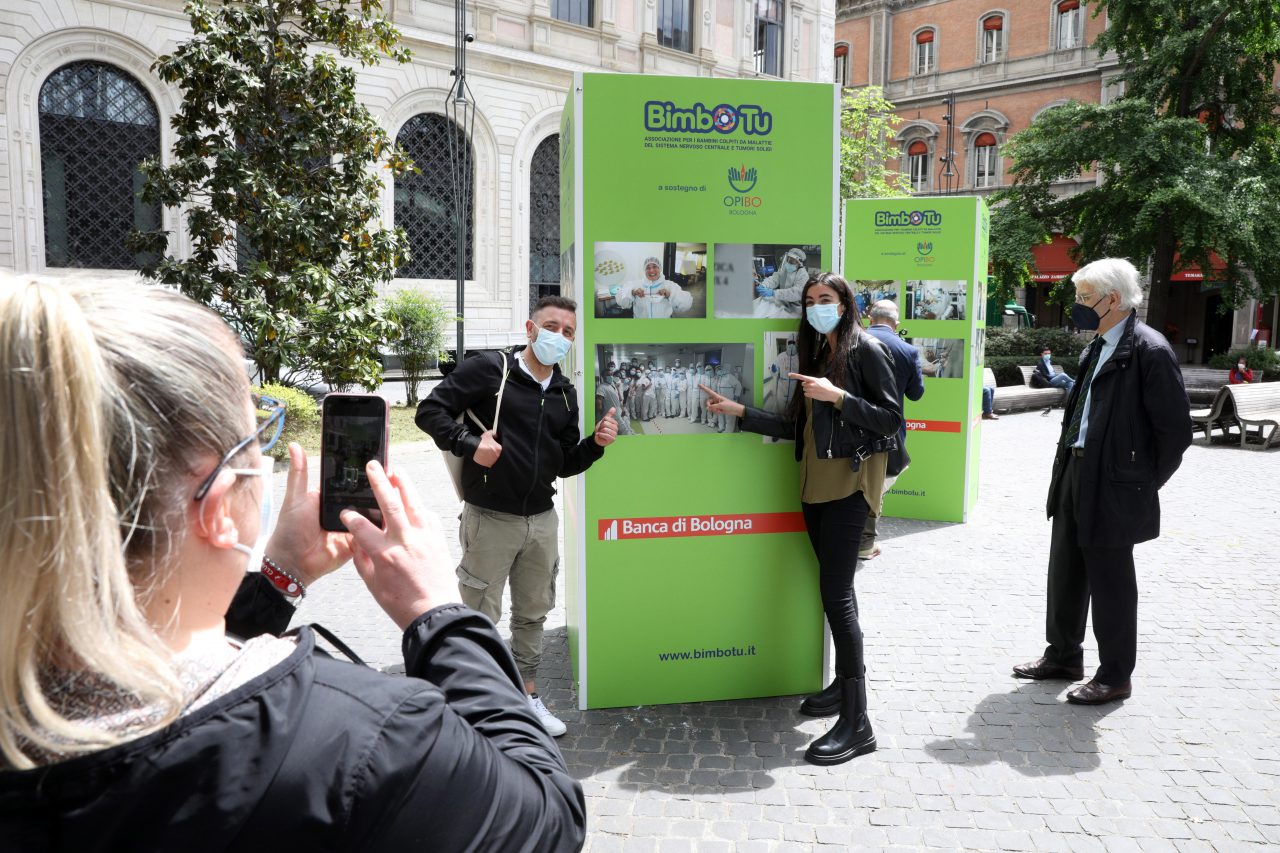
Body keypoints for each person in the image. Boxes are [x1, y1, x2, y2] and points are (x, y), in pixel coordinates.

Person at [0, 277, 586, 849]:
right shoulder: (365, 735)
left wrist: (280, 579)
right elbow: (547, 816)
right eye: (256, 430)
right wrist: (438, 613)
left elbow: (179, 665)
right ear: (220, 498)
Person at [702, 272, 901, 766]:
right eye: (811, 300)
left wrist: (838, 397)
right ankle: (841, 688)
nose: (817, 307)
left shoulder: (866, 350)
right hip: (814, 485)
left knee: (838, 595)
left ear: (846, 303)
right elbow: (798, 426)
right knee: (833, 591)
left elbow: (892, 420)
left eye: (826, 299)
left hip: (848, 487)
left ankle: (858, 722)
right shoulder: (819, 353)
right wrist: (740, 411)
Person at [418, 296, 618, 736]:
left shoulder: (564, 392)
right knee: (477, 616)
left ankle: (526, 697)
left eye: (568, 332)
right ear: (530, 328)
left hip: (541, 521)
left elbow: (565, 463)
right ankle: (472, 703)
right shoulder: (491, 370)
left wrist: (596, 446)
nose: (559, 337)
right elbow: (428, 411)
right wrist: (470, 444)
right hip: (490, 518)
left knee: (532, 615)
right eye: (552, 326)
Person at [1013, 258, 1192, 705]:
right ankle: (1063, 656)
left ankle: (1114, 675)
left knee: (1111, 581)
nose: (1077, 305)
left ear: (1113, 300)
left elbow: (1175, 433)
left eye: (1084, 297)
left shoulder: (1149, 350)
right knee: (1066, 569)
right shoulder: (1097, 344)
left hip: (1115, 483)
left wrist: (1138, 482)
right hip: (1076, 469)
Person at [862, 300, 926, 559]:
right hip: (889, 430)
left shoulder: (856, 341)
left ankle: (859, 538)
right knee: (880, 483)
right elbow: (916, 394)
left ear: (870, 318)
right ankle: (866, 541)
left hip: (855, 423)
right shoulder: (908, 351)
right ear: (896, 324)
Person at [614, 257, 693, 319]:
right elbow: (619, 299)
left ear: (660, 269)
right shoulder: (636, 284)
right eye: (648, 268)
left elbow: (686, 304)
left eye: (655, 266)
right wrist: (632, 292)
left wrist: (669, 295)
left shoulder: (669, 285)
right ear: (644, 270)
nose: (651, 270)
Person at [753, 248, 808, 318]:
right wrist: (764, 284)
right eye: (788, 259)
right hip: (782, 301)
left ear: (799, 263)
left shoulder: (803, 275)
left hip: (795, 307)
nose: (788, 262)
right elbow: (775, 278)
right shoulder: (785, 270)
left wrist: (773, 293)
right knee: (761, 305)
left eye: (792, 261)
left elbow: (796, 293)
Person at [764, 337, 801, 416]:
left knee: (792, 406)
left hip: (794, 386)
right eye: (790, 343)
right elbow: (774, 371)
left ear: (796, 344)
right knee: (780, 405)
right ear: (787, 343)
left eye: (793, 343)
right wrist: (774, 369)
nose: (791, 345)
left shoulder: (799, 358)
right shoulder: (780, 356)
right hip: (782, 385)